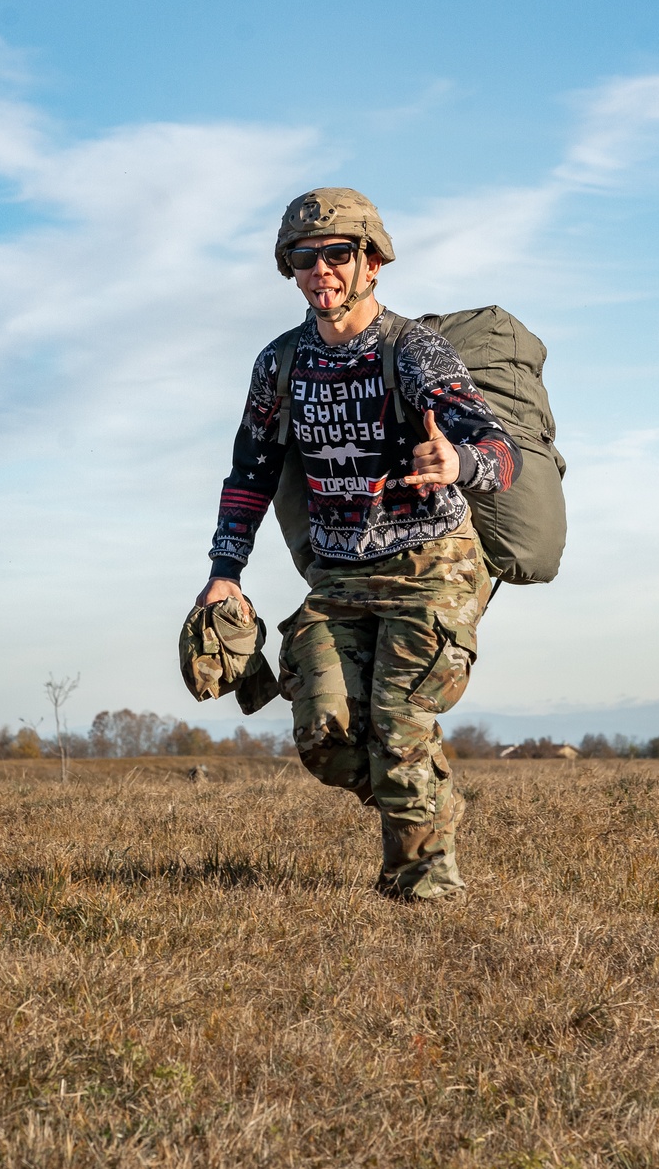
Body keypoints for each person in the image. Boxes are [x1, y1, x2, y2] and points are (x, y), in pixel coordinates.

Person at [195, 188, 521, 901]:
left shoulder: (414, 352)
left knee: (400, 725)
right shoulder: (278, 365)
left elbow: (497, 449)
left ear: (372, 263)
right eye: (305, 258)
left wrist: (458, 464)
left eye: (338, 254)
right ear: (292, 270)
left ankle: (424, 892)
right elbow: (250, 471)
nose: (322, 271)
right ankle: (427, 805)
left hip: (432, 567)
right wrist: (225, 572)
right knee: (324, 735)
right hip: (340, 574)